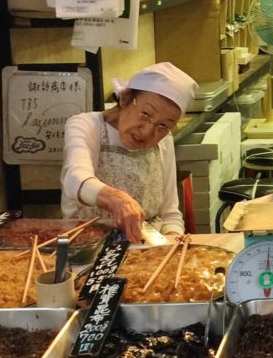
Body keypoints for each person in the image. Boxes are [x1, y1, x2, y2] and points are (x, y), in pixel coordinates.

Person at [60, 62, 198, 242]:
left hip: (147, 248)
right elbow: (74, 178)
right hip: (87, 246)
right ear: (125, 98)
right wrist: (116, 199)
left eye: (163, 125)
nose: (147, 131)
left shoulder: (164, 140)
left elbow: (169, 213)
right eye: (145, 114)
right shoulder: (85, 125)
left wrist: (172, 243)